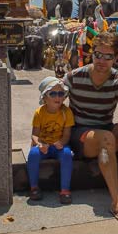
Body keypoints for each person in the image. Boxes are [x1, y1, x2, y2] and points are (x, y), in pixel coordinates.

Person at [63, 32, 118, 224]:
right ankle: (117, 200)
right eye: (98, 55)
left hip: (105, 131)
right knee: (106, 138)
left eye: (108, 56)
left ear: (116, 58)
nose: (102, 60)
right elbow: (51, 103)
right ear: (91, 54)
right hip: (82, 136)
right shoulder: (74, 77)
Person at [28, 76, 75, 204]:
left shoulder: (67, 112)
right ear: (44, 97)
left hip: (58, 144)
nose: (57, 97)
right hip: (44, 144)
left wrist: (62, 143)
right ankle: (34, 187)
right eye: (53, 94)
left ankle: (65, 190)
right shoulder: (40, 112)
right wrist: (39, 143)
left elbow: (66, 135)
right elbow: (34, 134)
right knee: (33, 154)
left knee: (66, 154)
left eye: (61, 94)